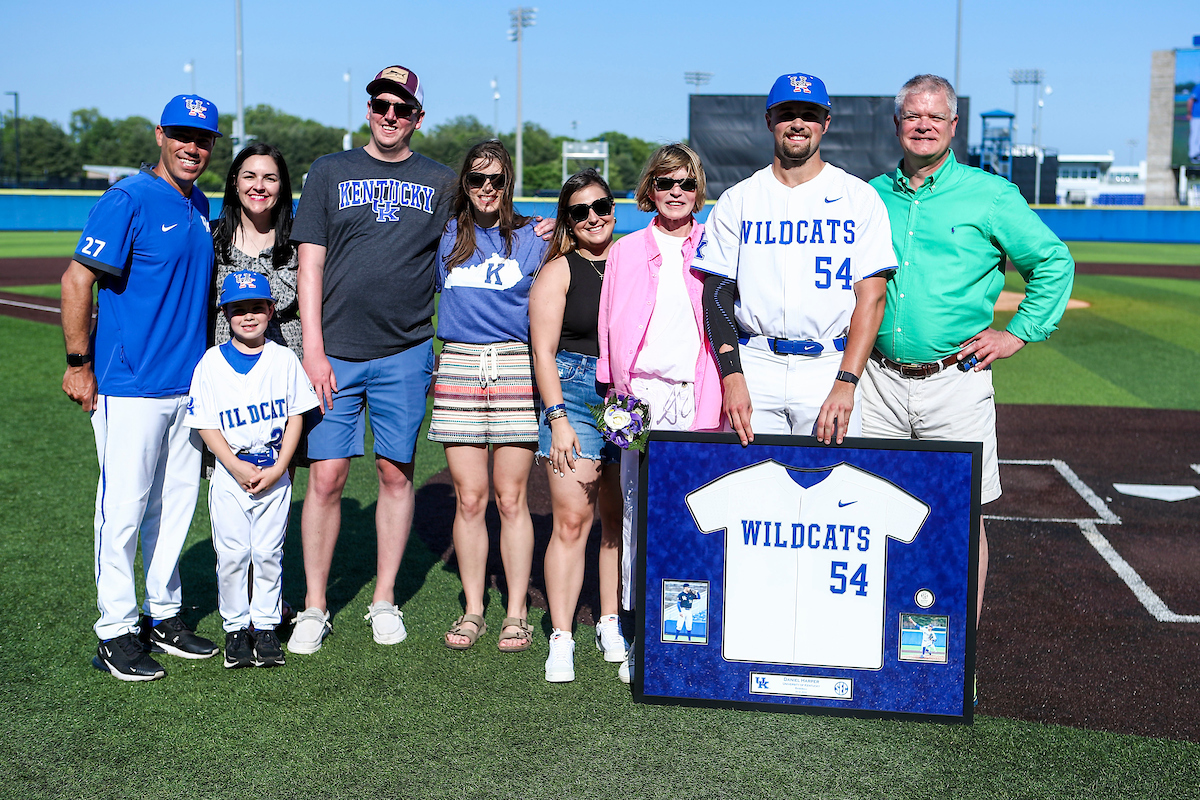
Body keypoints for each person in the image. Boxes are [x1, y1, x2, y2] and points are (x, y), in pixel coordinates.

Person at [864, 75, 1075, 699]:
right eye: (911, 115)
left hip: (955, 382)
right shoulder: (870, 195)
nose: (922, 125)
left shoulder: (990, 195)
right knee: (866, 512)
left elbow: (1051, 261)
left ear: (953, 126)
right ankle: (872, 646)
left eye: (934, 116)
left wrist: (1019, 333)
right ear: (897, 122)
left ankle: (956, 662)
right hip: (875, 379)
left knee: (958, 519)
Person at [288, 65, 458, 654]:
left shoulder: (439, 180)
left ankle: (383, 599)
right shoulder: (330, 171)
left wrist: (538, 229)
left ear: (417, 116)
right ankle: (314, 605)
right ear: (368, 109)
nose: (390, 115)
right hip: (334, 350)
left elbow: (478, 234)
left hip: (407, 350)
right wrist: (312, 347)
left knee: (394, 472)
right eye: (381, 104)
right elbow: (309, 263)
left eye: (402, 107)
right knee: (328, 477)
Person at [61, 94, 223, 681]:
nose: (192, 147)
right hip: (130, 386)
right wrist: (79, 362)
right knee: (123, 510)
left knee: (175, 508)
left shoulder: (200, 202)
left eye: (203, 139)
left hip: (187, 387)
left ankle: (164, 614)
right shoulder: (128, 196)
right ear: (160, 134)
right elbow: (77, 277)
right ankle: (115, 630)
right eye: (182, 135)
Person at [696, 72, 894, 448]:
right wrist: (732, 375)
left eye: (810, 113)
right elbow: (717, 292)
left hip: (828, 366)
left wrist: (847, 382)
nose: (798, 123)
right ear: (769, 120)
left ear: (826, 123)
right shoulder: (739, 199)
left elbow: (873, 298)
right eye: (787, 113)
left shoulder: (858, 197)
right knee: (750, 492)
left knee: (832, 492)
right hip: (755, 363)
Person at [597, 143, 724, 682]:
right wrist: (614, 393)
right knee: (637, 514)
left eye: (686, 184)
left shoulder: (716, 243)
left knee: (695, 515)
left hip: (697, 394)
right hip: (639, 400)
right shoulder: (627, 249)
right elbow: (608, 324)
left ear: (698, 191)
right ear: (649, 189)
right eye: (666, 182)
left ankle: (691, 633)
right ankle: (642, 630)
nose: (676, 192)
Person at [431, 140, 547, 652]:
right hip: (457, 363)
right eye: (476, 180)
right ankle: (474, 609)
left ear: (508, 184)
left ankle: (516, 612)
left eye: (495, 180)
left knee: (510, 497)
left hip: (514, 366)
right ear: (465, 184)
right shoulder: (448, 237)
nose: (485, 189)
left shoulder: (533, 237)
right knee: (470, 498)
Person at [184, 271, 319, 668]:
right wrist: (234, 465)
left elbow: (297, 415)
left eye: (256, 308)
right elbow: (205, 422)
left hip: (274, 472)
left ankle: (265, 625)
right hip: (231, 472)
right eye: (238, 309)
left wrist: (280, 467)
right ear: (225, 313)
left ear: (270, 310)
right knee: (231, 554)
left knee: (267, 551)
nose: (248, 316)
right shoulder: (211, 362)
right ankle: (235, 628)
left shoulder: (283, 358)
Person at [529, 169, 623, 683]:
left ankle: (610, 622)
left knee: (617, 520)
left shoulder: (634, 258)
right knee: (571, 521)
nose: (594, 218)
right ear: (568, 219)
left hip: (628, 397)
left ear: (615, 206)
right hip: (575, 392)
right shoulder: (559, 270)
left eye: (601, 206)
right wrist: (558, 418)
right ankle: (561, 636)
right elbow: (542, 351)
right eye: (580, 211)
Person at [211, 143, 301, 358]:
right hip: (227, 369)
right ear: (235, 182)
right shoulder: (211, 237)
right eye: (249, 176)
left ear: (281, 185)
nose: (259, 186)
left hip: (288, 364)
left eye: (270, 178)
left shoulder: (300, 239)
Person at [1189, 81, 1200, 164]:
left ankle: (1198, 154)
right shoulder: (1198, 87)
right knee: (1195, 135)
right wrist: (1189, 113)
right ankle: (1193, 154)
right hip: (1196, 116)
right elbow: (1190, 101)